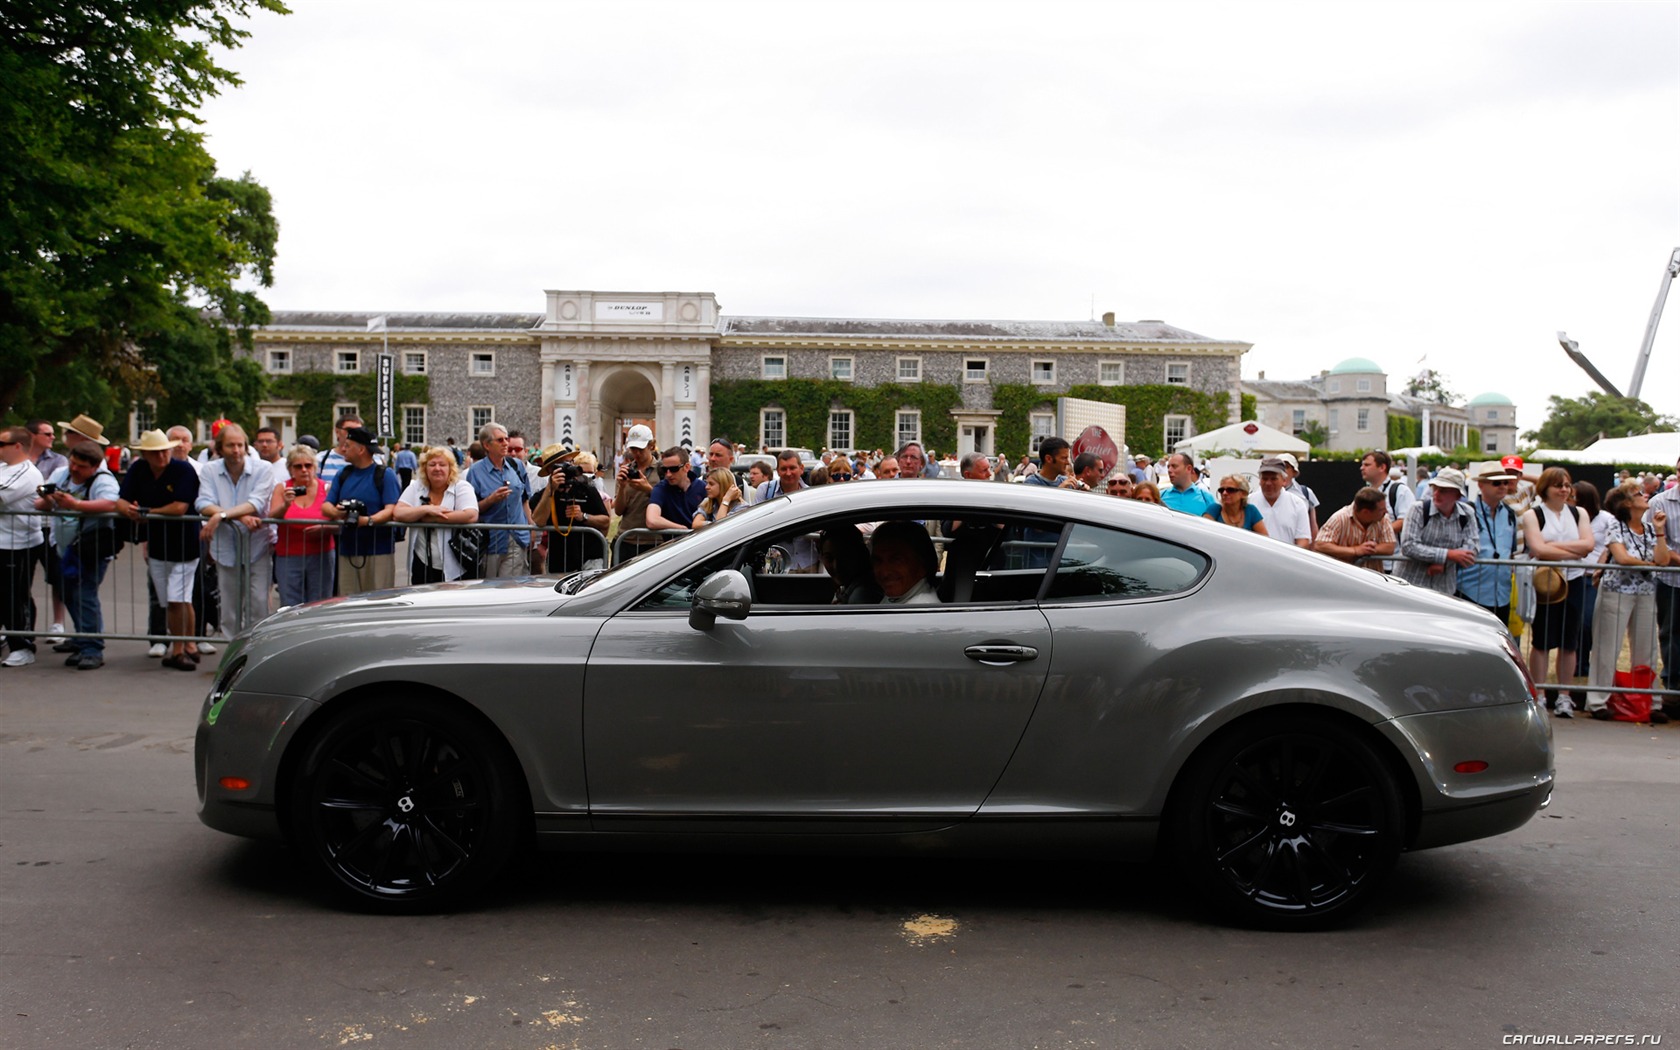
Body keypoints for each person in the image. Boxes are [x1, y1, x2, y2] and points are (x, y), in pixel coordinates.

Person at [117, 429, 203, 670]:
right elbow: (121, 500)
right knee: (175, 599)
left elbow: (179, 507)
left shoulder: (184, 470)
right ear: (145, 454)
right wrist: (130, 512)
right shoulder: (138, 470)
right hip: (157, 543)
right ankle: (189, 643)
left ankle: (178, 650)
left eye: (165, 450)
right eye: (156, 453)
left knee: (177, 598)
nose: (162, 456)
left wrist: (146, 513)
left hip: (185, 544)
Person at [33, 442, 119, 669]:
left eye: (80, 466)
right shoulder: (62, 474)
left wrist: (76, 504)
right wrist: (49, 499)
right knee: (69, 594)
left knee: (85, 595)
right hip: (63, 546)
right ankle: (82, 640)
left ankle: (92, 648)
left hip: (89, 548)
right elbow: (41, 503)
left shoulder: (103, 480)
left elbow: (111, 503)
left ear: (94, 467)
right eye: (72, 462)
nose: (74, 469)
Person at [1587, 482, 1668, 722]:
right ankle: (1597, 701)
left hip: (1644, 591)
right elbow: (1621, 557)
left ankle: (1650, 701)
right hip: (1616, 590)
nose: (1644, 496)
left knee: (1647, 648)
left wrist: (1660, 531)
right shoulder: (1616, 526)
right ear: (1626, 503)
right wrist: (1649, 565)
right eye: (1637, 494)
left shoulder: (1650, 528)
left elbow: (1662, 560)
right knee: (1607, 646)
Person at [1520, 467, 1594, 716]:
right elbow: (1539, 548)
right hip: (1545, 582)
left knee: (1569, 641)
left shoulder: (1578, 512)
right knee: (1542, 640)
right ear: (1545, 488)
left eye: (1567, 485)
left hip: (1573, 580)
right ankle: (1539, 693)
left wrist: (1554, 547)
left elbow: (1589, 545)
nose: (1564, 490)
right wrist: (1574, 551)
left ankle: (1564, 695)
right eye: (1558, 485)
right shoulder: (1534, 514)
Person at [194, 423, 275, 639]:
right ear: (220, 448)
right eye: (231, 446)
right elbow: (203, 502)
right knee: (229, 607)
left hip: (257, 545)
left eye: (240, 445)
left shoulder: (263, 469)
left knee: (258, 603)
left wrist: (220, 516)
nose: (236, 450)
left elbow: (256, 503)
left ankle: (257, 650)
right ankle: (232, 652)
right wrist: (237, 516)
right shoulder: (210, 470)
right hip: (225, 547)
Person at [321, 426, 402, 596]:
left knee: (379, 600)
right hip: (348, 549)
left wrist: (367, 521)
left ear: (361, 449)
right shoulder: (343, 474)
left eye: (348, 445)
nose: (344, 449)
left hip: (379, 550)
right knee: (348, 600)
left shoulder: (385, 475)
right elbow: (326, 505)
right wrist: (337, 513)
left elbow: (391, 509)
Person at [395, 445, 480, 583]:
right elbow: (398, 512)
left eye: (442, 465)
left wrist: (429, 519)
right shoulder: (416, 486)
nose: (437, 468)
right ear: (425, 468)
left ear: (450, 468)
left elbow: (470, 514)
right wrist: (425, 510)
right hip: (422, 560)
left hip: (457, 563)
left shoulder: (462, 487)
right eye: (432, 464)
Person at [268, 444, 336, 607]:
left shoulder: (326, 488)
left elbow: (339, 522)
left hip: (321, 554)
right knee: (290, 604)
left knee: (320, 603)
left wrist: (324, 529)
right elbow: (271, 517)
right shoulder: (283, 488)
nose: (304, 470)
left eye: (308, 465)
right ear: (290, 469)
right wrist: (285, 505)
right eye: (298, 466)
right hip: (289, 554)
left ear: (315, 467)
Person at [1395, 467, 1478, 597]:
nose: (1436, 493)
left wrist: (1443, 562)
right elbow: (1409, 546)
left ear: (1457, 495)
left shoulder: (1467, 513)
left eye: (1443, 490)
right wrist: (1448, 555)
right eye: (1435, 488)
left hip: (1444, 589)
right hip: (1411, 587)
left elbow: (1472, 548)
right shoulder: (1417, 510)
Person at [0, 426, 45, 666]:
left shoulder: (27, 472)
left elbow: (1, 495)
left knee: (16, 595)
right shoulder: (4, 468)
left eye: (1, 444)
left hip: (18, 544)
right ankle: (9, 637)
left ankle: (23, 645)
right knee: (4, 595)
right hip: (2, 541)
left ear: (17, 446)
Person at [1455, 465, 1521, 624]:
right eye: (1496, 483)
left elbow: (1510, 550)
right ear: (1481, 485)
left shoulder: (1510, 514)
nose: (1503, 487)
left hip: (1502, 594)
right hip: (1469, 592)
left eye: (1505, 482)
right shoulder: (1465, 512)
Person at [465, 422, 533, 576]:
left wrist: (531, 527)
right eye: (500, 440)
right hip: (491, 541)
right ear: (487, 445)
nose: (506, 444)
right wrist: (490, 500)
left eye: (506, 439)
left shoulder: (517, 466)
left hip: (517, 537)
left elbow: (524, 499)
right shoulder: (475, 472)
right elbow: (470, 510)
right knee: (491, 588)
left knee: (511, 587)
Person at [530, 446, 609, 573]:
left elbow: (605, 521)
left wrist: (584, 516)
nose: (568, 467)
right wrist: (550, 489)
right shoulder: (543, 495)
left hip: (589, 558)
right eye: (562, 464)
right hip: (559, 560)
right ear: (551, 470)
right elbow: (539, 521)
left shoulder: (587, 489)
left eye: (569, 462)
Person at [1646, 455, 1680, 705]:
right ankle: (1673, 685)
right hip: (1671, 580)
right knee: (1670, 632)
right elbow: (1656, 545)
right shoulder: (1659, 502)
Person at [1573, 480, 1612, 681]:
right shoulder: (1572, 516)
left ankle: (1585, 663)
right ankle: (1578, 664)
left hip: (1592, 577)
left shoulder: (1605, 518)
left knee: (1588, 622)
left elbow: (1612, 542)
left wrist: (1601, 563)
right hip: (1575, 574)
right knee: (1576, 622)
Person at [1314, 487, 1395, 572]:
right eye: (1381, 510)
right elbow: (1320, 545)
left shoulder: (1383, 518)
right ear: (1365, 512)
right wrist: (1355, 550)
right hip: (1344, 575)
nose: (1386, 512)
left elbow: (1389, 547)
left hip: (1373, 577)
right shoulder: (1339, 518)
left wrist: (1368, 549)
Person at [613, 424, 660, 556]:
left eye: (641, 449)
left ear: (651, 445)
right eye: (633, 449)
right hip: (626, 537)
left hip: (653, 540)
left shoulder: (662, 470)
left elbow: (670, 503)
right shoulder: (626, 471)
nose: (637, 453)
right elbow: (618, 510)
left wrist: (649, 490)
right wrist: (622, 487)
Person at [871, 521, 941, 605]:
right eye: (878, 561)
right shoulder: (900, 597)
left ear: (922, 566)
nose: (884, 573)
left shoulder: (922, 611)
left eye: (896, 560)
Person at [645, 446, 706, 531]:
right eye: (665, 469)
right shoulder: (661, 489)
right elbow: (652, 520)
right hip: (675, 543)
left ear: (687, 467)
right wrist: (681, 528)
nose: (668, 474)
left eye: (674, 469)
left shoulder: (703, 487)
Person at [1252, 459, 1310, 547]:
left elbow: (1303, 539)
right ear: (1260, 481)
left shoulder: (1297, 504)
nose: (1268, 483)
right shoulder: (1249, 502)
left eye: (1273, 479)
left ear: (1284, 481)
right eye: (1264, 478)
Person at [818, 525, 881, 604]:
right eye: (829, 558)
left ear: (860, 553)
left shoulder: (861, 595)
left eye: (844, 557)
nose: (836, 566)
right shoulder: (849, 587)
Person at [1361, 450, 1414, 536]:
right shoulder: (1364, 493)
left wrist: (1376, 534)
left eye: (1367, 465)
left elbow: (1406, 521)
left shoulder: (1400, 491)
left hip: (1394, 548)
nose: (1362, 468)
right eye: (1362, 465)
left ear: (1382, 467)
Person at [1204, 474, 1268, 535]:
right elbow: (1203, 534)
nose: (1224, 493)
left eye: (1230, 490)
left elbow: (1264, 540)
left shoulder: (1251, 511)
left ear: (1243, 493)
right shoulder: (1214, 509)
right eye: (1221, 490)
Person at [1276, 453, 1319, 540]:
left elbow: (1313, 524)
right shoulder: (1261, 493)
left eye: (1286, 467)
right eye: (1279, 467)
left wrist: (1312, 547)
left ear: (1294, 472)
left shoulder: (1306, 492)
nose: (1282, 470)